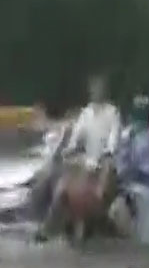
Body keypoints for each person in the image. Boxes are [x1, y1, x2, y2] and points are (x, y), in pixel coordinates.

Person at [36, 75, 123, 241]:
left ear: (105, 91)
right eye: (95, 88)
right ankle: (48, 227)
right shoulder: (86, 113)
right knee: (63, 179)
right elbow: (76, 139)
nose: (97, 91)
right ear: (91, 91)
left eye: (101, 88)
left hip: (105, 163)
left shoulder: (113, 113)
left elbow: (113, 142)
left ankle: (99, 209)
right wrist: (69, 151)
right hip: (87, 163)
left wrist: (104, 155)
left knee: (106, 169)